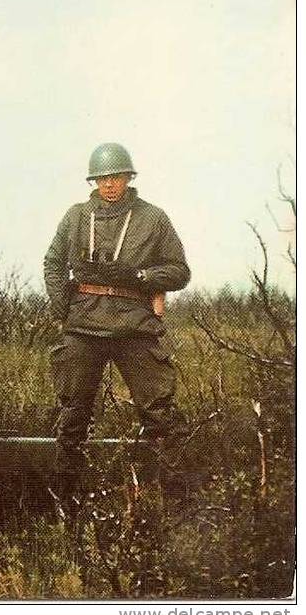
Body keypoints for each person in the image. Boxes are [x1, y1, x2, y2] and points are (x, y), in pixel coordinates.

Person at [43, 142, 190, 504]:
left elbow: (179, 272)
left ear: (129, 177)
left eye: (117, 177)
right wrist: (63, 308)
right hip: (83, 322)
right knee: (73, 413)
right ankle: (67, 500)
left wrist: (140, 276)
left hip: (134, 324)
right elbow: (52, 263)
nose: (109, 184)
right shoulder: (76, 216)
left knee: (159, 411)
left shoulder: (152, 218)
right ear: (93, 180)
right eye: (102, 178)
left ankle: (172, 501)